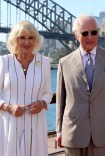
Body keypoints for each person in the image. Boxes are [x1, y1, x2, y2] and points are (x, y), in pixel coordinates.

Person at [56, 14, 105, 156]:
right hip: (73, 133)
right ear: (76, 35)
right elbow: (60, 100)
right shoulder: (64, 62)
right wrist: (59, 130)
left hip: (104, 131)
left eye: (93, 32)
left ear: (98, 33)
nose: (90, 37)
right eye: (85, 33)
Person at [0, 20, 53, 156]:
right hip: (9, 125)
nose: (26, 42)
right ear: (14, 40)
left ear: (35, 40)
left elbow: (48, 92)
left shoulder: (44, 62)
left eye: (31, 38)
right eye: (22, 37)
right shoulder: (4, 61)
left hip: (36, 124)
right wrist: (8, 107)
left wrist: (42, 103)